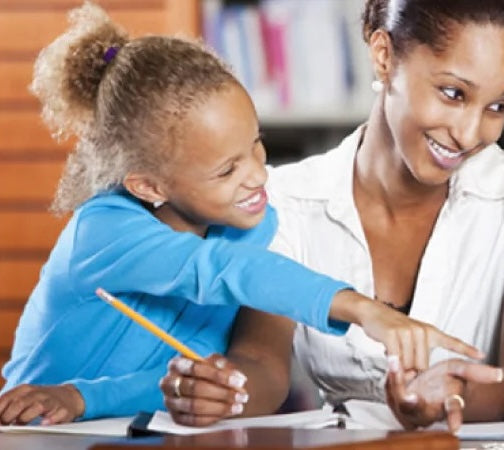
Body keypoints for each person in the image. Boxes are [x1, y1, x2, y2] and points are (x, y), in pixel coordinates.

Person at [0, 2, 479, 426]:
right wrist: (363, 308)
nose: (259, 175)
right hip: (34, 429)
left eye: (256, 144)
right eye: (228, 169)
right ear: (149, 186)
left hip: (137, 429)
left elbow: (179, 381)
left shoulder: (255, 227)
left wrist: (104, 396)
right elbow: (220, 272)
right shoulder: (102, 230)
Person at [160, 0, 504, 431]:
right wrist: (221, 390)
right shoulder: (289, 204)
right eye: (454, 94)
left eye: (498, 107)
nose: (470, 134)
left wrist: (447, 400)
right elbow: (262, 363)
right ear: (384, 55)